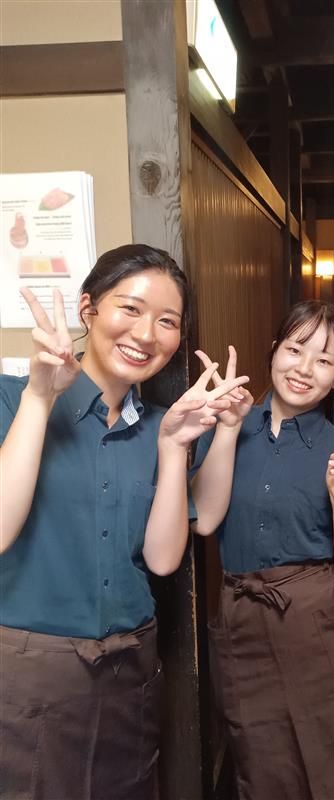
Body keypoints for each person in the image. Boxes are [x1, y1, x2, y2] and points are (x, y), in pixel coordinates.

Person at [0, 244, 248, 800]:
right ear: (88, 309)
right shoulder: (12, 399)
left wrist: (175, 448)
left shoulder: (163, 426)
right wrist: (40, 397)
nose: (145, 334)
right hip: (30, 674)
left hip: (130, 669)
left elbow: (163, 559)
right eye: (129, 308)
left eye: (167, 321)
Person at [191, 300, 334, 800]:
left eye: (324, 360)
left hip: (326, 633)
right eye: (295, 349)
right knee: (263, 767)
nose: (304, 369)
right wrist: (228, 428)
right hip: (245, 627)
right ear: (274, 351)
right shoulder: (227, 429)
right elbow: (206, 520)